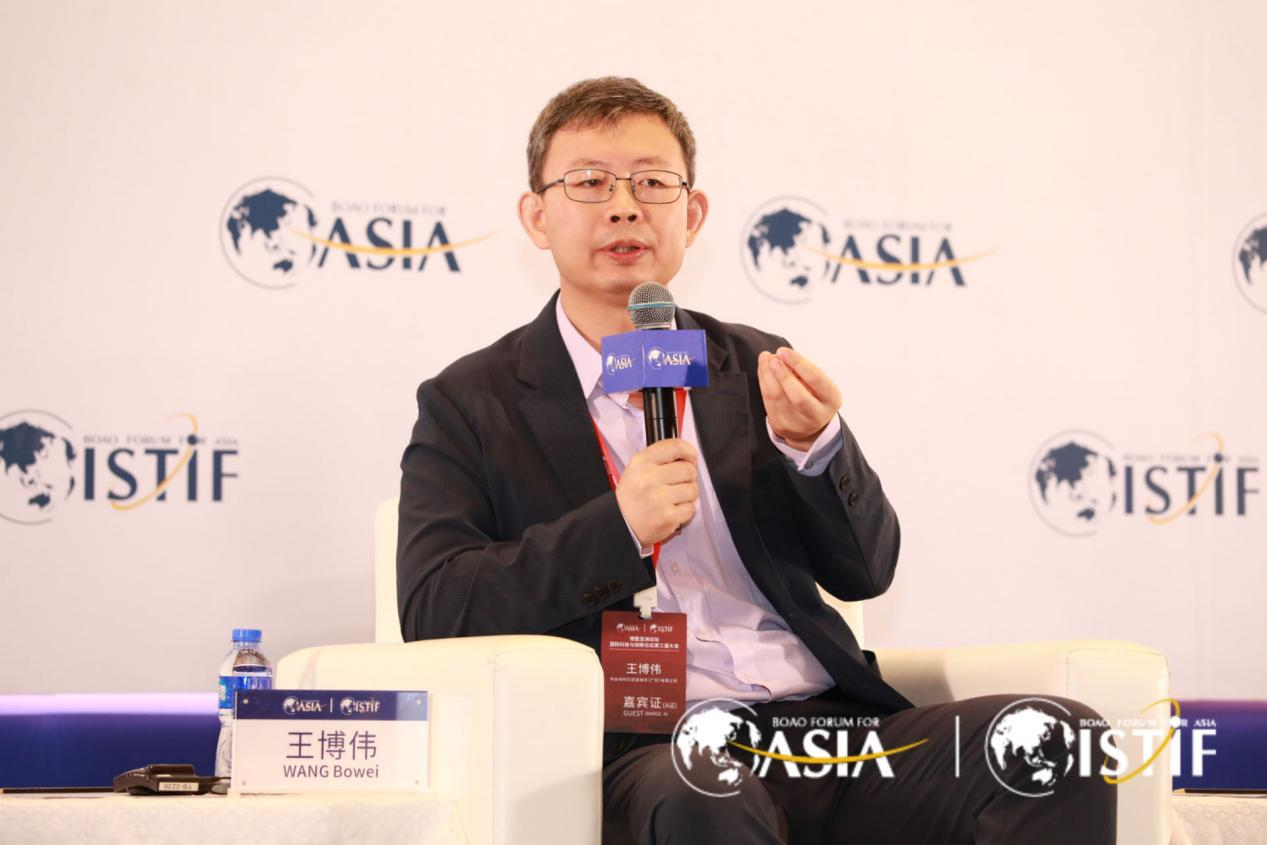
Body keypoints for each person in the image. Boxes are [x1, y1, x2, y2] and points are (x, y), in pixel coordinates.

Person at [397, 76, 1116, 844]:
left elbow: (866, 571)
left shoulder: (753, 365)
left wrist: (816, 448)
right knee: (704, 791)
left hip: (824, 728)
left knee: (1057, 740)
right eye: (590, 182)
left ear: (692, 214)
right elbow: (436, 608)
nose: (624, 206)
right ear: (536, 217)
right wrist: (619, 526)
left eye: (652, 182)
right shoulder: (472, 402)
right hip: (653, 748)